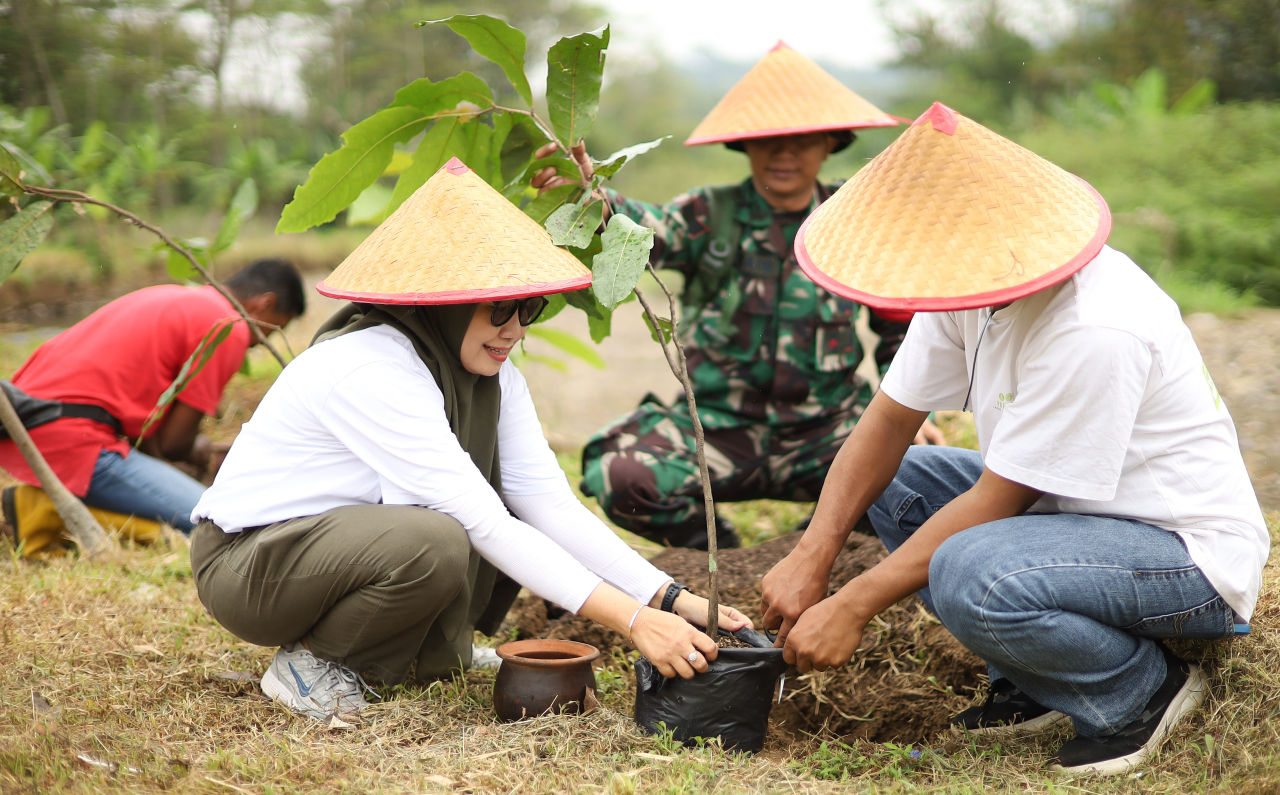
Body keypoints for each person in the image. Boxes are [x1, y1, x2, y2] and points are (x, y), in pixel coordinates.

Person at [759, 103, 1269, 775]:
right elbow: (888, 420)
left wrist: (849, 606)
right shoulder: (966, 283)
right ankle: (1037, 679)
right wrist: (811, 555)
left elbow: (998, 500)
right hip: (1073, 522)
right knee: (902, 483)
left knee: (968, 567)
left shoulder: (1095, 325)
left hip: (1182, 554)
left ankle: (1135, 691)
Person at [190, 158, 752, 723]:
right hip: (249, 565)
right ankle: (312, 664)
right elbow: (481, 521)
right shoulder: (369, 367)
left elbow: (546, 504)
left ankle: (417, 655)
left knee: (494, 517)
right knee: (435, 538)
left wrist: (670, 598)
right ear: (444, 304)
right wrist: (633, 622)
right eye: (500, 308)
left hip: (338, 544)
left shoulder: (494, 377)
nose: (516, 329)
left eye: (529, 308)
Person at [533, 42, 944, 550]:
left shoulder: (854, 218)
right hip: (715, 429)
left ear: (831, 143)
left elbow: (900, 328)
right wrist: (591, 193)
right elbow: (641, 228)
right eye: (768, 140)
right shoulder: (710, 214)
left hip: (829, 434)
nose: (784, 154)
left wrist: (908, 416)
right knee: (624, 473)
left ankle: (816, 549)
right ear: (746, 146)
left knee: (919, 474)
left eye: (803, 139)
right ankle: (724, 561)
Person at [0, 258, 304, 557]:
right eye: (273, 330)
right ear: (264, 305)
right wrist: (196, 449)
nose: (263, 342)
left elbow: (150, 439)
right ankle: (46, 509)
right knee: (224, 522)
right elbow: (174, 444)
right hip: (74, 438)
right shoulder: (229, 327)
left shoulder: (176, 297)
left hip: (23, 418)